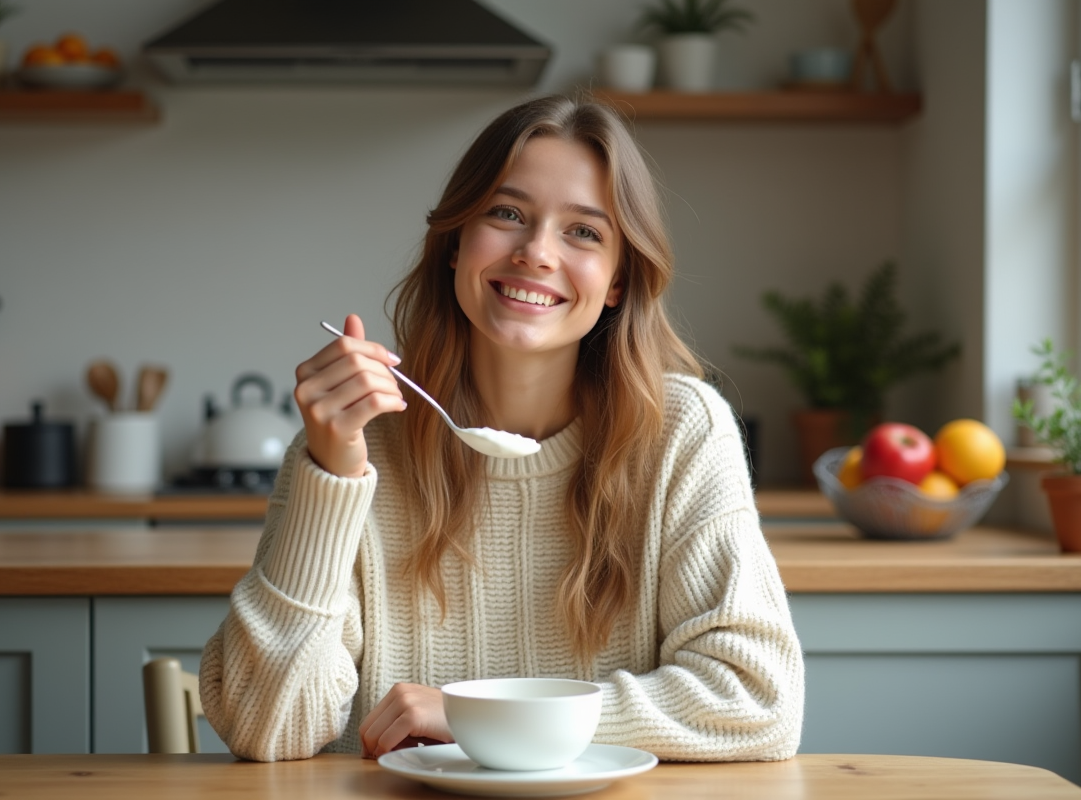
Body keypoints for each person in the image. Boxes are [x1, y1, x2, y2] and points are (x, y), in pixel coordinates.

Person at [199, 94, 805, 764]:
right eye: (507, 214)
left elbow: (757, 701)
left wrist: (483, 716)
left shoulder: (681, 432)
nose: (537, 253)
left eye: (584, 232)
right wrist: (333, 477)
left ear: (616, 283)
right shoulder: (354, 444)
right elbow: (266, 727)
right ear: (456, 243)